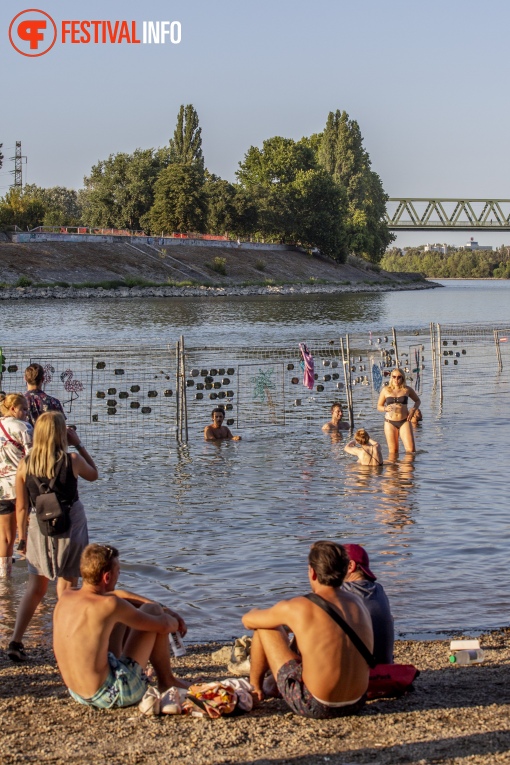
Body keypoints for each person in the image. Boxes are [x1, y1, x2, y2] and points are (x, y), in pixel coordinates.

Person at [242, 540, 373, 719]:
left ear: (312, 572)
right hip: (357, 701)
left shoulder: (300, 606)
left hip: (318, 705)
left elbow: (248, 621)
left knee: (265, 627)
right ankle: (269, 686)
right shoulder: (358, 603)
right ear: (344, 571)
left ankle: (255, 689)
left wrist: (258, 612)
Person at [8, 411, 98, 662]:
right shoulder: (72, 459)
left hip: (40, 524)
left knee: (35, 587)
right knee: (67, 585)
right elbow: (94, 474)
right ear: (61, 433)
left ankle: (16, 640)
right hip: (71, 522)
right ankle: (64, 642)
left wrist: (22, 539)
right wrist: (78, 443)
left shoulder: (26, 463)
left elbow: (22, 507)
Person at [53, 543, 189, 709]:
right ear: (107, 577)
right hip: (113, 695)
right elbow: (164, 626)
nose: (120, 574)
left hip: (79, 694)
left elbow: (119, 595)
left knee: (132, 608)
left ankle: (133, 673)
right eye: (118, 571)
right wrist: (175, 620)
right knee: (153, 611)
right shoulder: (109, 605)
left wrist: (165, 608)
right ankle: (166, 681)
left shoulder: (67, 596)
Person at [341, 543, 394, 665]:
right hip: (385, 668)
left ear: (350, 566)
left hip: (359, 676)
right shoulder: (379, 590)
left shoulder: (343, 592)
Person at [0, 394, 33, 578]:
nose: (27, 414)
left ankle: (5, 580)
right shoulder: (23, 427)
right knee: (27, 534)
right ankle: (35, 579)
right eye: (24, 409)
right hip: (22, 486)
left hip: (1, 487)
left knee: (5, 537)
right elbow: (32, 458)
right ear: (13, 409)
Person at [377, 368, 421, 454]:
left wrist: (413, 410)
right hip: (390, 422)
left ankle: (408, 466)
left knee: (411, 450)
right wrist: (385, 408)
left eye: (399, 377)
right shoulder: (385, 390)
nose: (396, 379)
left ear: (403, 378)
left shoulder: (407, 389)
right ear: (391, 378)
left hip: (404, 420)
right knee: (393, 451)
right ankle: (393, 466)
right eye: (394, 377)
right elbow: (379, 406)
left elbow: (417, 401)